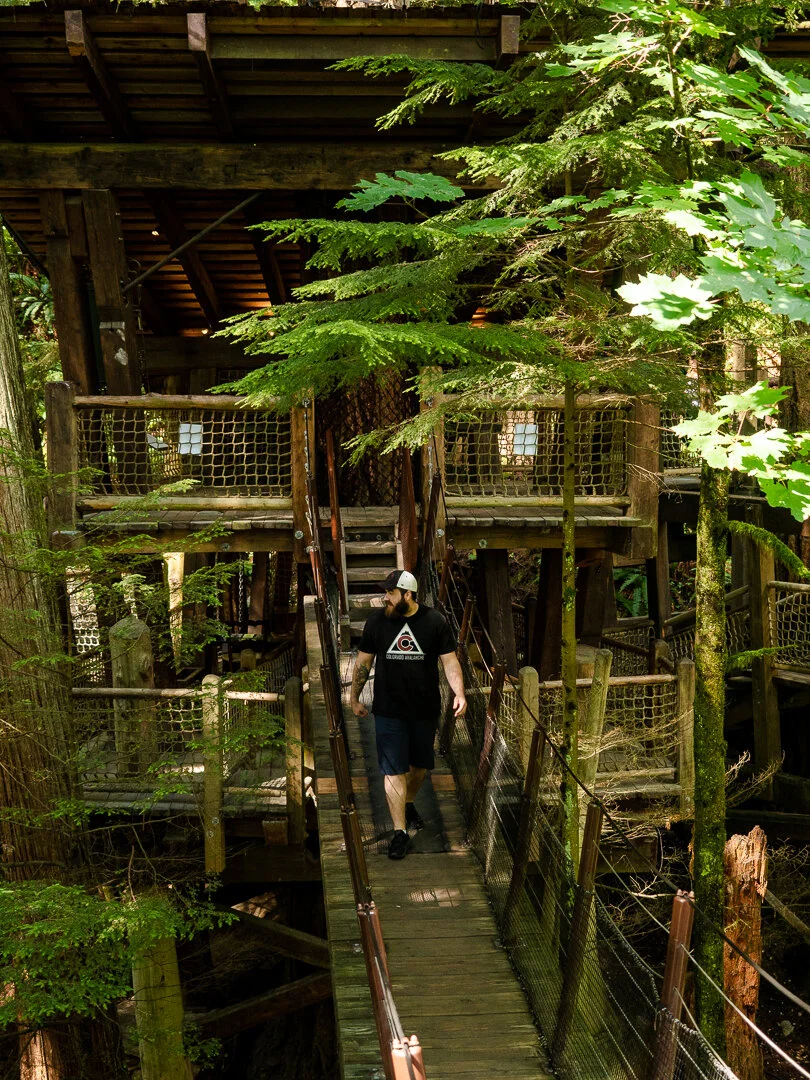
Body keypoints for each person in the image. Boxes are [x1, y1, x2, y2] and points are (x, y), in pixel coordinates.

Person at [350, 569, 467, 860]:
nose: (385, 598)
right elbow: (364, 661)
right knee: (393, 770)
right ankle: (400, 832)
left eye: (390, 593)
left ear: (407, 594)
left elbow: (450, 662)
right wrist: (353, 696)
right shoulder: (377, 621)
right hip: (388, 710)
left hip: (424, 709)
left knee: (419, 767)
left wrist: (460, 693)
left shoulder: (434, 622)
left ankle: (409, 801)